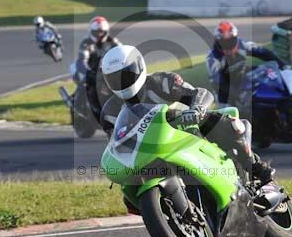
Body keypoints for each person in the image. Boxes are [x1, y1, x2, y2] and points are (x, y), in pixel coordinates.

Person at [100, 45, 274, 183]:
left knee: (227, 123)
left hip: (186, 129)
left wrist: (196, 109)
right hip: (148, 154)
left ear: (139, 66)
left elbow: (199, 93)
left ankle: (254, 165)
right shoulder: (109, 113)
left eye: (127, 74)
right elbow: (116, 148)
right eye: (115, 78)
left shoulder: (161, 82)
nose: (123, 82)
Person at [206, 20, 287, 105]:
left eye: (230, 41)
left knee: (266, 71)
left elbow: (263, 52)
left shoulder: (242, 44)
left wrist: (283, 65)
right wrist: (238, 95)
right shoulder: (212, 58)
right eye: (224, 43)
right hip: (225, 91)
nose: (228, 45)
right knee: (229, 114)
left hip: (242, 76)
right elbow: (218, 84)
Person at [74, 16, 121, 110]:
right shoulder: (86, 43)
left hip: (108, 71)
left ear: (106, 32)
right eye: (97, 32)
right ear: (91, 31)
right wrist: (89, 73)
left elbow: (122, 52)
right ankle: (80, 105)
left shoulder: (113, 41)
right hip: (91, 71)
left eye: (102, 32)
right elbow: (82, 60)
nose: (99, 35)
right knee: (87, 86)